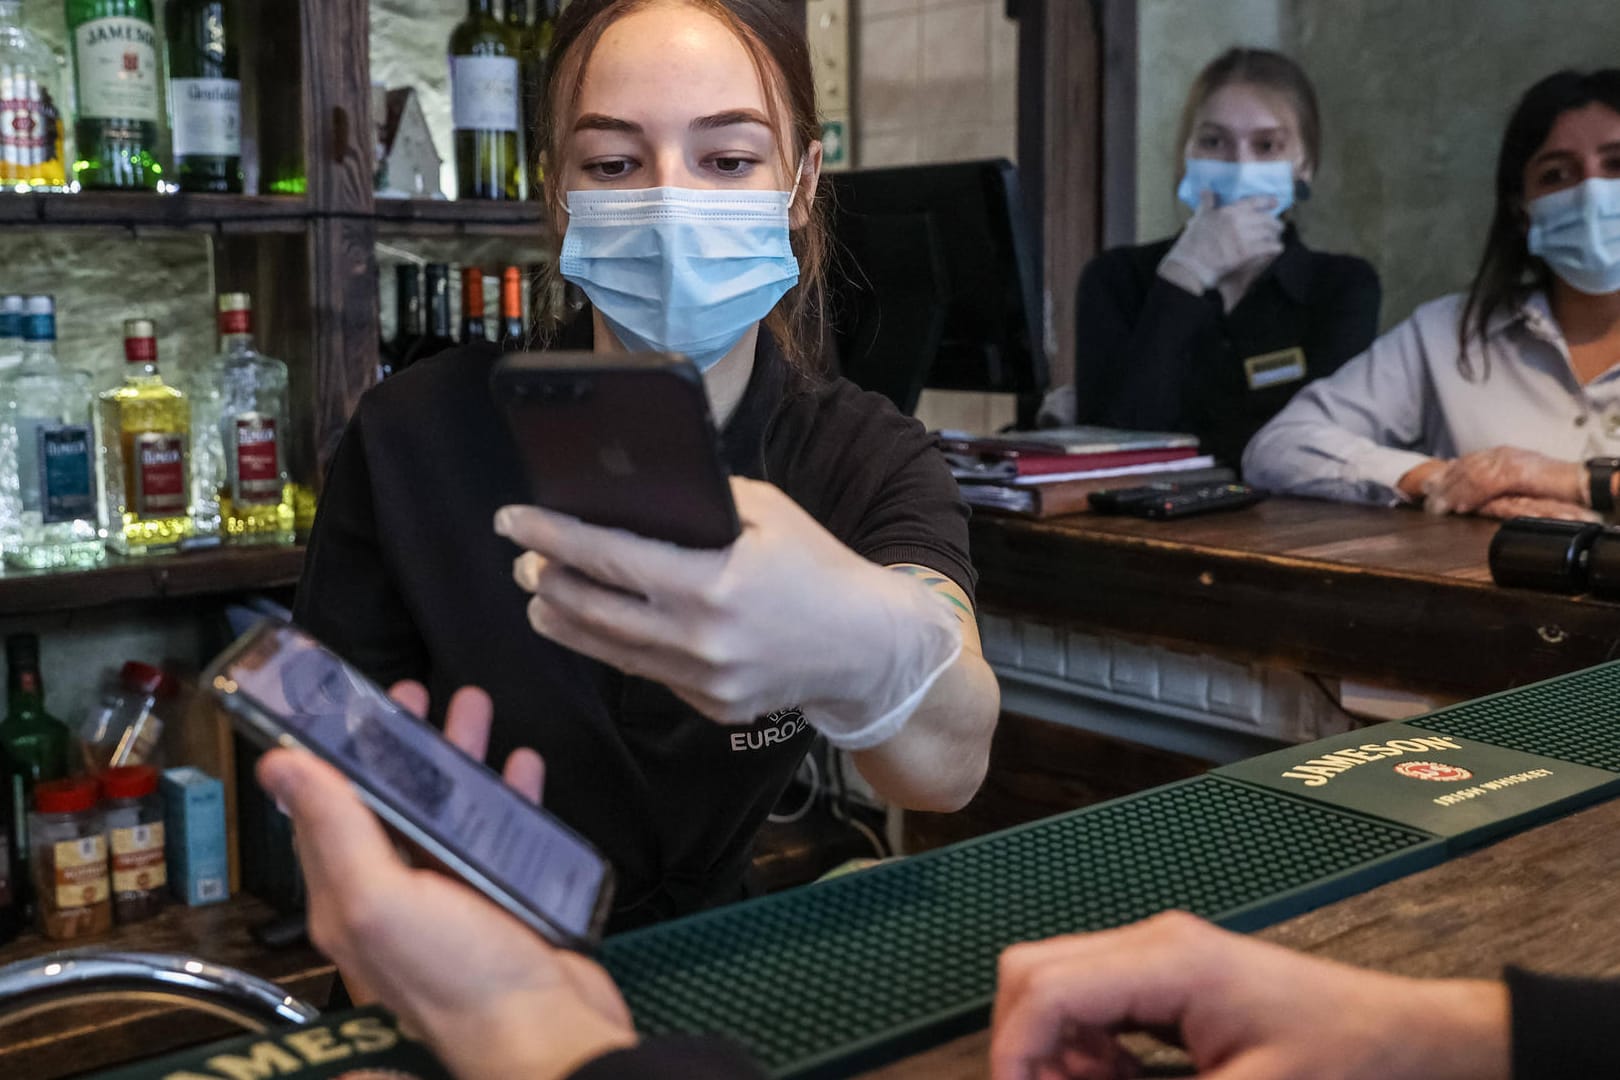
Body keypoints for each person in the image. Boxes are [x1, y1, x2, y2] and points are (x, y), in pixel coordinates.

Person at [295, 0, 999, 934]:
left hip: (701, 966)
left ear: (801, 181)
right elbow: (325, 769)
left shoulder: (863, 458)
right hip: (452, 963)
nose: (674, 201)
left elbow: (949, 768)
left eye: (730, 159)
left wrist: (867, 644)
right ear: (560, 193)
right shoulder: (411, 435)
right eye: (615, 164)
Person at [261, 699, 1620, 1080]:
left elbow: (947, 746)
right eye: (615, 159)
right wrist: (1432, 1037)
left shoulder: (850, 443)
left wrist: (531, 1038)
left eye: (725, 155)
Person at [1244, 69, 1620, 522]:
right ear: (1522, 211)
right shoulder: (1447, 333)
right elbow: (1280, 446)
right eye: (1557, 174)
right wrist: (1445, 481)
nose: (1590, 193)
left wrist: (1573, 482)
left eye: (1617, 165)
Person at [1042, 48, 1380, 469]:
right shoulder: (1115, 278)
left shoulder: (1342, 287)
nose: (1240, 164)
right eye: (1213, 141)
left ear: (1304, 164)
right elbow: (1110, 445)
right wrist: (1185, 275)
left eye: (1267, 145)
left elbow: (1317, 447)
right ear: (1187, 153)